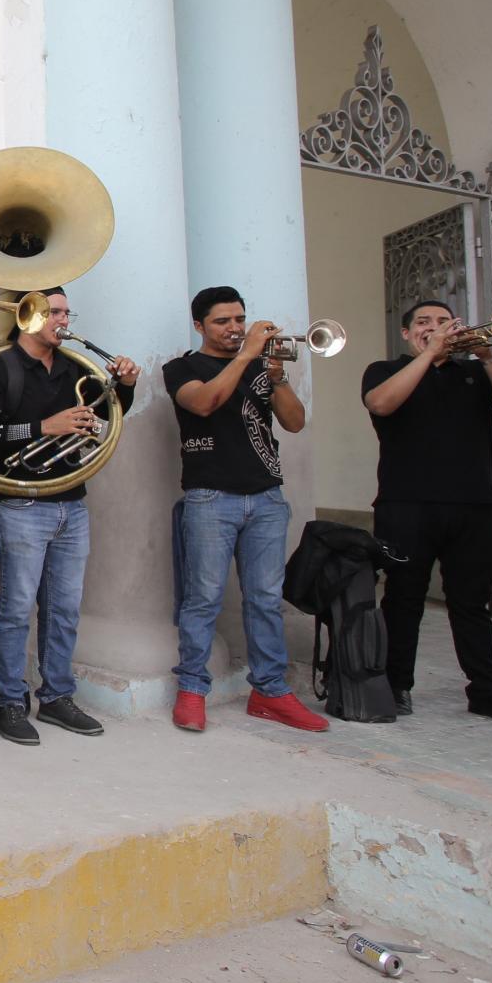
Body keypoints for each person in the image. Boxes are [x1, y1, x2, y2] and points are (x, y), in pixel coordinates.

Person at [0, 287, 138, 744]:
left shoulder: (79, 368)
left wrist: (126, 387)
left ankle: (57, 696)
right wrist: (44, 427)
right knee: (17, 609)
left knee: (63, 610)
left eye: (64, 312)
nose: (62, 320)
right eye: (52, 312)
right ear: (27, 316)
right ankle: (9, 701)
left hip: (71, 503)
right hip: (21, 504)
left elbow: (108, 413)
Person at [362, 299, 492, 728]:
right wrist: (427, 355)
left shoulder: (476, 373)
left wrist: (489, 355)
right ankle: (396, 685)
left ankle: (487, 692)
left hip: (473, 506)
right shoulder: (385, 369)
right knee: (403, 598)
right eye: (424, 322)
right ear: (407, 333)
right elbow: (381, 404)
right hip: (406, 505)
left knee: (470, 603)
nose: (435, 327)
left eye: (443, 321)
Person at [163, 286, 327, 734]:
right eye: (222, 321)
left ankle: (270, 692)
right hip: (210, 497)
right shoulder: (181, 368)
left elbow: (294, 422)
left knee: (266, 600)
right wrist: (246, 355)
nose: (234, 328)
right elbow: (204, 402)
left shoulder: (262, 366)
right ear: (199, 326)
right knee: (203, 600)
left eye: (239, 319)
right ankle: (193, 690)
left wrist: (275, 375)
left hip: (268, 498)